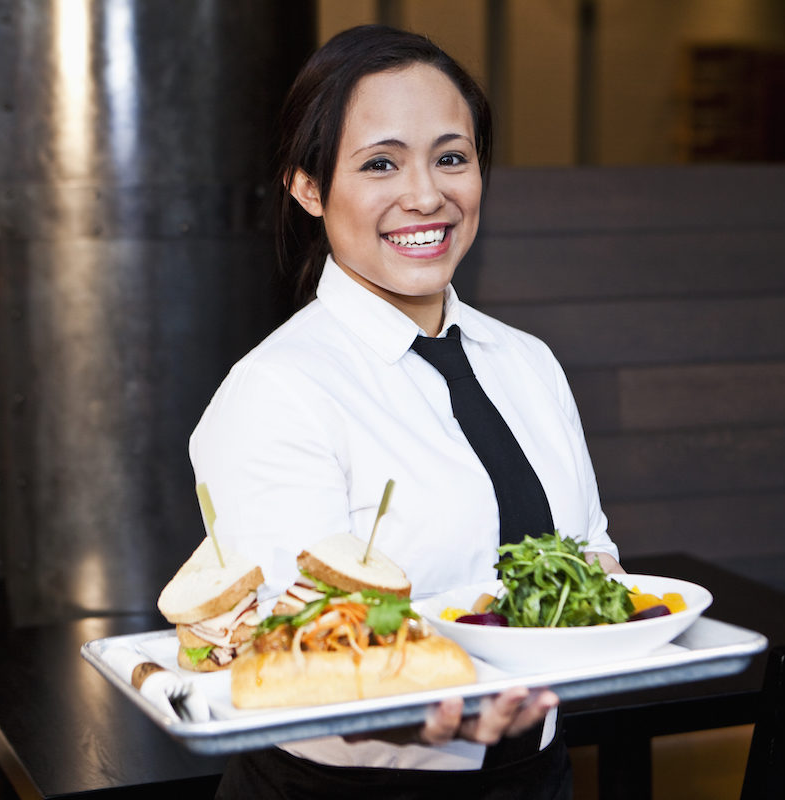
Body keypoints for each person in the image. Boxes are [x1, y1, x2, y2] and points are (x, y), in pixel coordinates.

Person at [189, 24, 623, 800]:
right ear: (308, 186)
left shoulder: (528, 363)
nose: (427, 195)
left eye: (451, 157)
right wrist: (412, 712)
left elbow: (592, 555)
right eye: (381, 163)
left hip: (537, 778)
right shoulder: (275, 390)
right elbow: (292, 652)